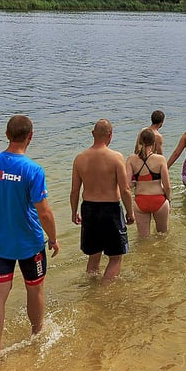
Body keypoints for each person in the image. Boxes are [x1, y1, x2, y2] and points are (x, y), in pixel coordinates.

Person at [0, 115, 59, 366]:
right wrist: (53, 238)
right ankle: (37, 335)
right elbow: (43, 211)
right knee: (35, 289)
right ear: (30, 136)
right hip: (29, 243)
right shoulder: (33, 170)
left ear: (7, 134)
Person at [71, 119, 134, 284]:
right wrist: (130, 212)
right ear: (110, 135)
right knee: (115, 258)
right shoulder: (116, 157)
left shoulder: (80, 158)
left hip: (88, 209)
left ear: (93, 134)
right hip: (110, 210)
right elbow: (125, 189)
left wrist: (73, 212)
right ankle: (104, 295)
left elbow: (75, 191)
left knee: (93, 255)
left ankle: (92, 290)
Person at [127, 129, 172, 238]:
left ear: (139, 141)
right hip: (159, 200)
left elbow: (127, 185)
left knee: (143, 239)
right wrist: (169, 200)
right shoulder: (160, 159)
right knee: (162, 236)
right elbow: (167, 186)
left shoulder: (131, 159)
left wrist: (136, 182)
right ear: (154, 143)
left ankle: (143, 255)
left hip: (140, 201)